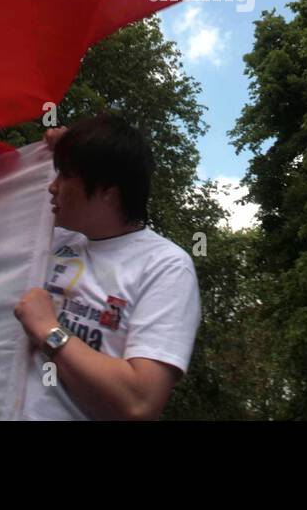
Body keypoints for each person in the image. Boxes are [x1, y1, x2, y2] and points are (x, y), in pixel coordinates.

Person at [13, 113, 201, 420]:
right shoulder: (55, 238)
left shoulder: (165, 266)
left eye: (65, 176)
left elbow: (140, 400)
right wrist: (64, 149)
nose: (52, 187)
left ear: (107, 192)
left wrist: (49, 330)